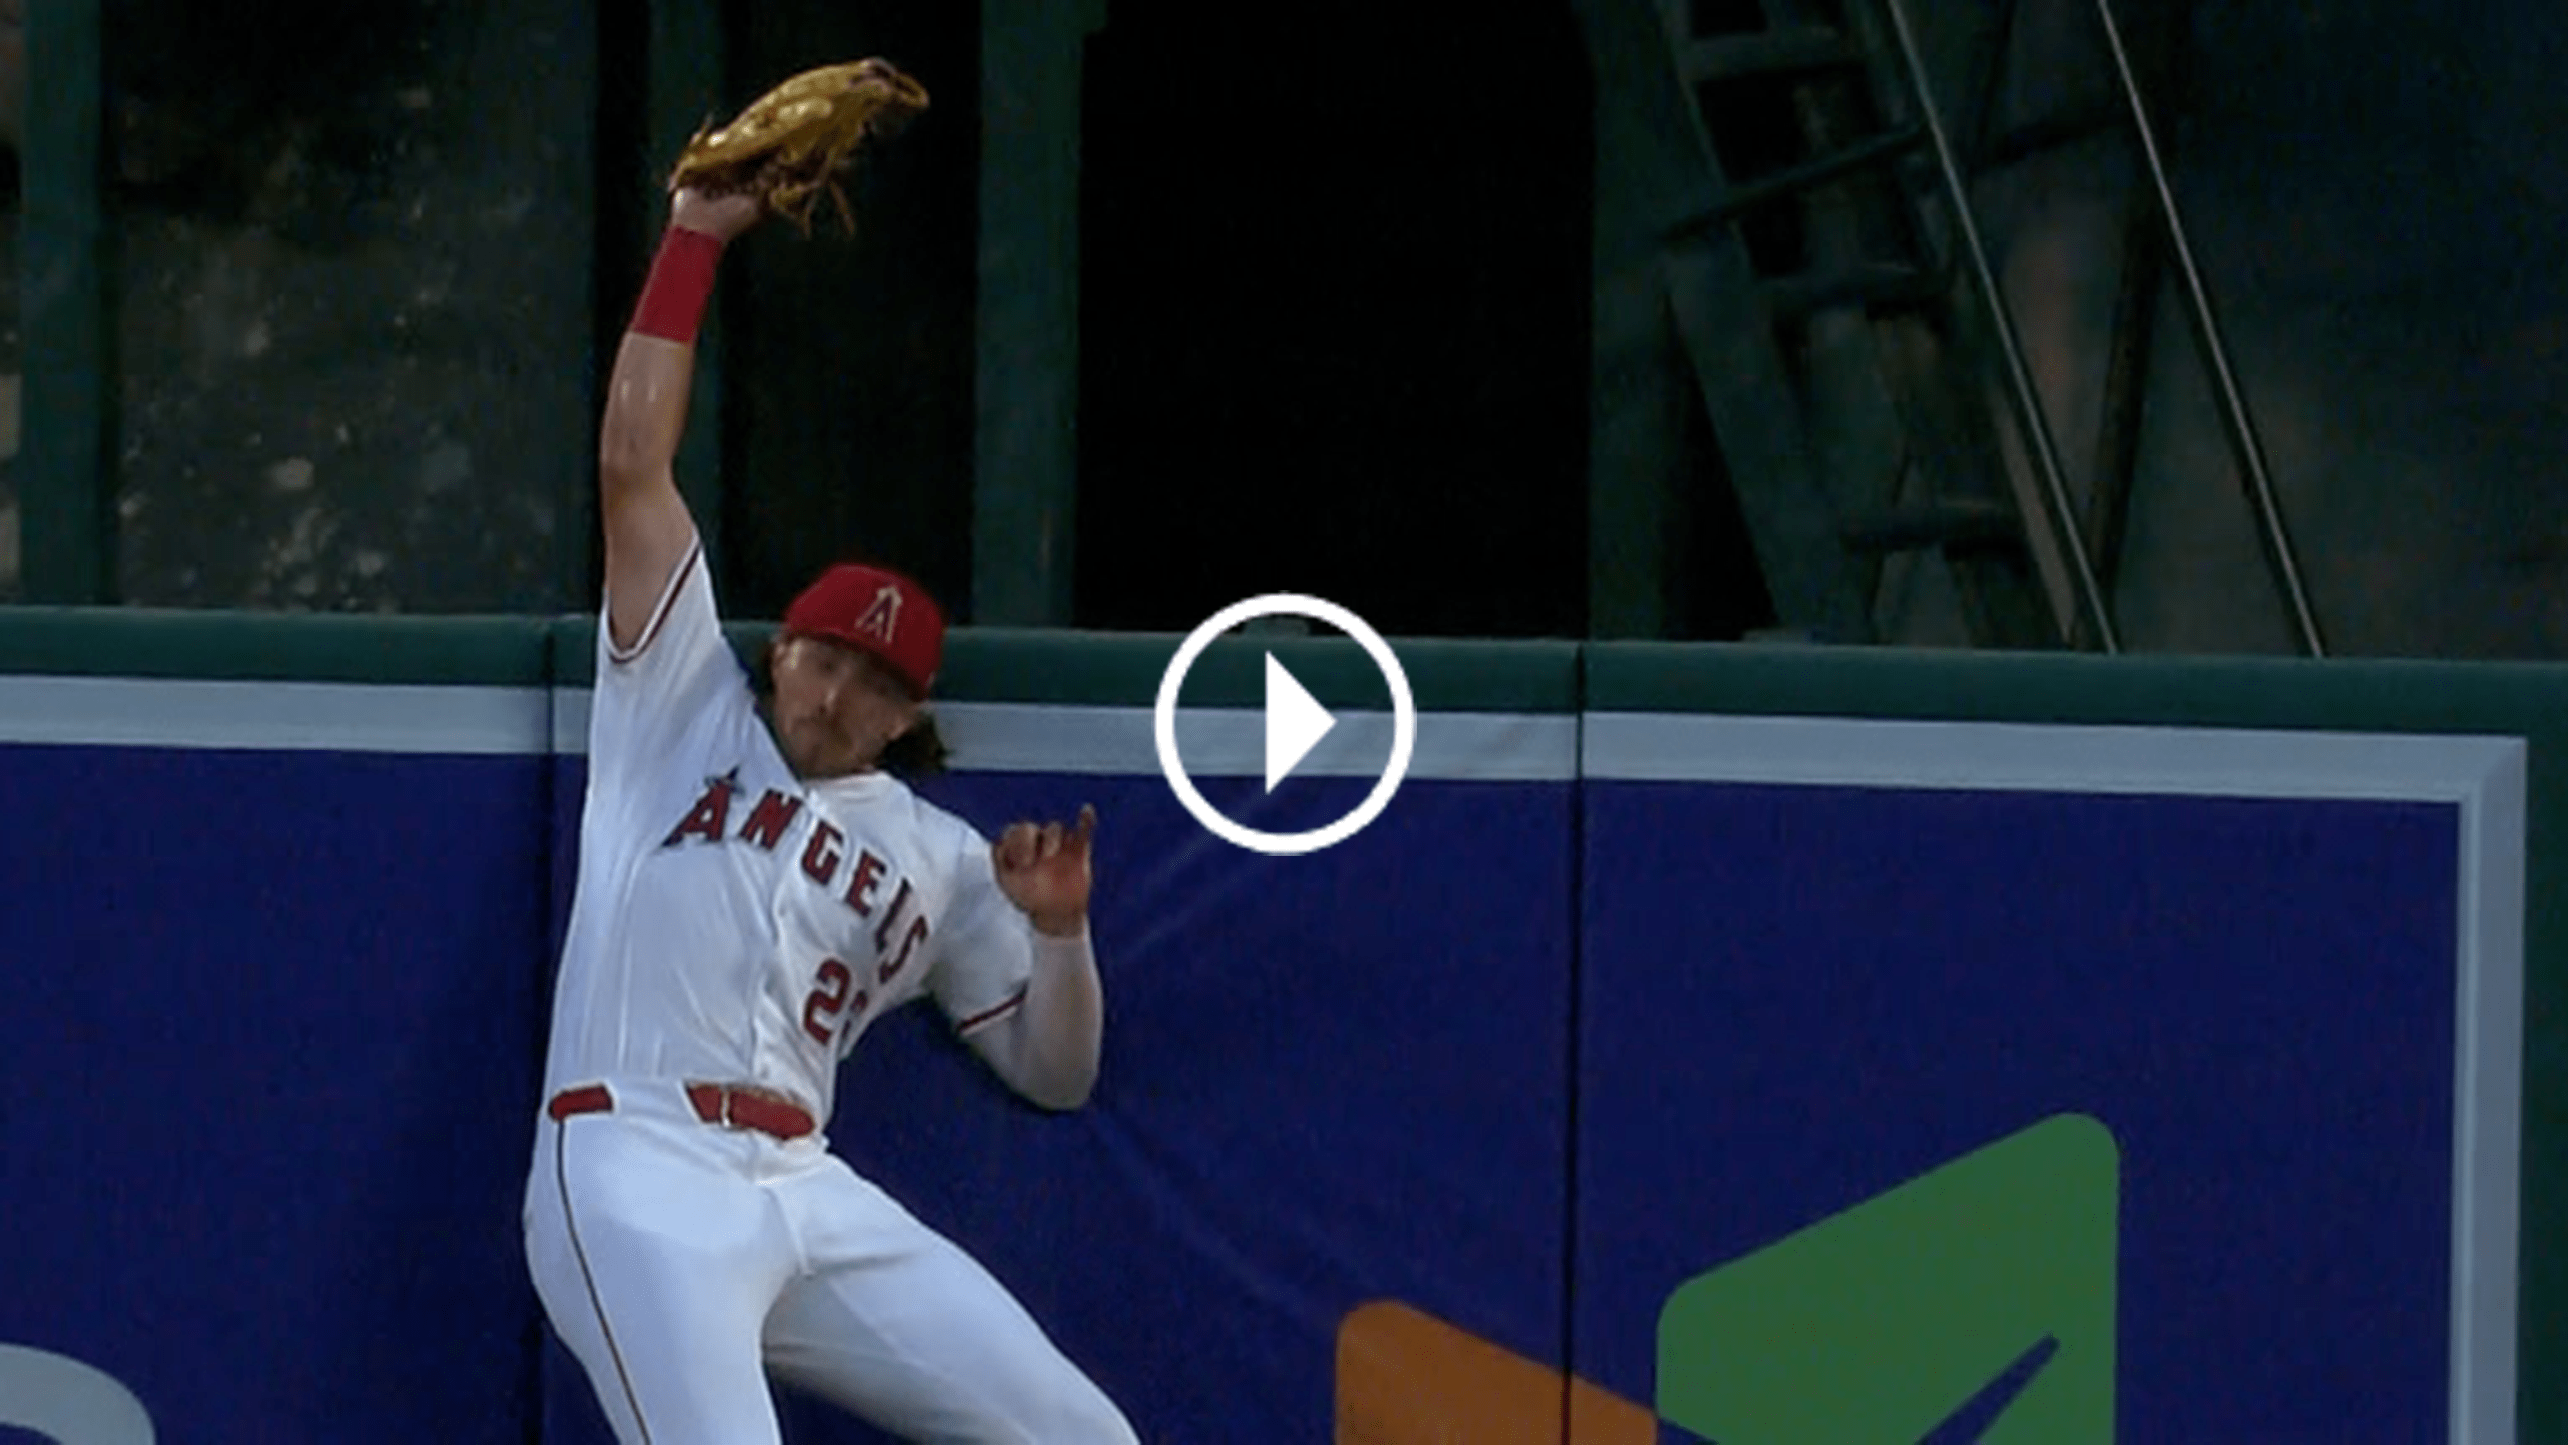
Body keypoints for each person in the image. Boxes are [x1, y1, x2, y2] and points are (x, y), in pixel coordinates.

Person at [520, 181, 1140, 1444]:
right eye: (825, 659)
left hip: (803, 1181)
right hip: (634, 1156)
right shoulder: (675, 703)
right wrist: (695, 237)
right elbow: (632, 465)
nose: (841, 694)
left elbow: (1056, 1073)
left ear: (907, 718)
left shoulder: (943, 858)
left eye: (878, 684)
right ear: (779, 651)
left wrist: (1062, 932)